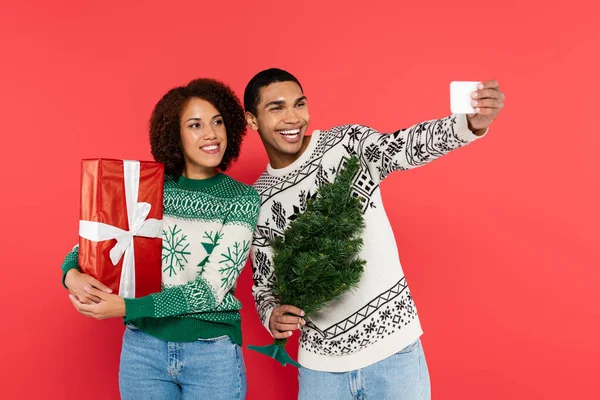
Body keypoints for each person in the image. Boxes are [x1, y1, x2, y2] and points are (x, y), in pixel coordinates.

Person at [245, 68, 505, 399]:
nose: (293, 117)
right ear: (252, 120)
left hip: (393, 353)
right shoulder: (259, 201)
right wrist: (272, 315)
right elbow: (264, 285)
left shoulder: (347, 145)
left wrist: (469, 125)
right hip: (319, 369)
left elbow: (406, 146)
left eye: (299, 104)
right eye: (276, 108)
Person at [61, 78, 260, 400]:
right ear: (175, 135)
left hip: (210, 353)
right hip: (143, 349)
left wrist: (125, 306)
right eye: (195, 125)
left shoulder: (242, 199)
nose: (211, 134)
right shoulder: (148, 187)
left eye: (218, 122)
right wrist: (70, 274)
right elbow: (96, 240)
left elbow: (211, 290)